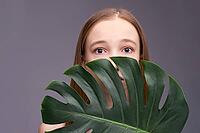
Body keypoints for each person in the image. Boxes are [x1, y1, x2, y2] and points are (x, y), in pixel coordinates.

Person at [38, 8, 149, 133]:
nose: (113, 63)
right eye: (100, 50)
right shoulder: (55, 130)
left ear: (140, 58)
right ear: (84, 60)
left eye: (127, 49)